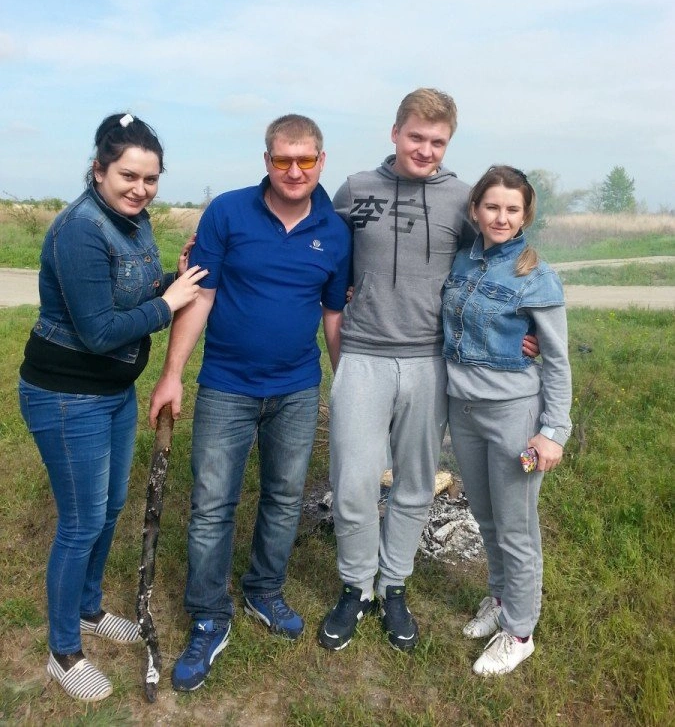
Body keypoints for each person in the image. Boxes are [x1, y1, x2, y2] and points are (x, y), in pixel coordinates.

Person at [319, 90, 539, 654]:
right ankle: (356, 585)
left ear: (448, 144)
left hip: (430, 361)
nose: (425, 149)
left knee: (415, 483)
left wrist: (523, 328)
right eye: (416, 136)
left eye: (437, 142)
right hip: (364, 355)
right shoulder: (355, 190)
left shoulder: (463, 200)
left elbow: (498, 262)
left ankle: (393, 584)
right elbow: (316, 248)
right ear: (395, 132)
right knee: (353, 481)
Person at [149, 114, 351, 693]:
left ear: (321, 161)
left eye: (305, 160)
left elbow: (333, 315)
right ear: (267, 161)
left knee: (285, 498)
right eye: (283, 159)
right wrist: (172, 375)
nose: (294, 170)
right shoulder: (227, 212)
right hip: (226, 385)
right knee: (212, 504)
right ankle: (209, 615)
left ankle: (264, 589)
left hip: (296, 389)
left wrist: (346, 386)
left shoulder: (336, 232)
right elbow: (201, 295)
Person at [18, 113, 207, 702]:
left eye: (151, 179)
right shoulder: (80, 229)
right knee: (80, 523)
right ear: (99, 169)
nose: (140, 188)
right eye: (128, 175)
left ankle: (89, 608)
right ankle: (62, 651)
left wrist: (170, 281)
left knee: (110, 507)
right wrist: (170, 303)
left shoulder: (135, 222)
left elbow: (128, 293)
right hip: (65, 395)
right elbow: (99, 330)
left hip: (112, 394)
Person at [442, 165, 572, 676]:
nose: (501, 217)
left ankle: (519, 632)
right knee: (487, 516)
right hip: (464, 410)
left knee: (517, 528)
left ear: (525, 216)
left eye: (512, 210)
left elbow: (556, 360)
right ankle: (499, 599)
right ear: (475, 210)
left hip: (514, 415)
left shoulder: (536, 276)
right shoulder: (461, 260)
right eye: (492, 207)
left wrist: (553, 431)